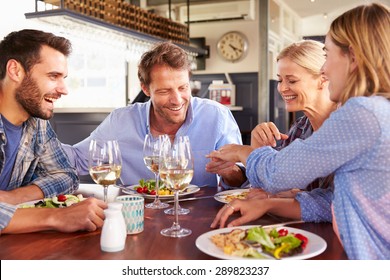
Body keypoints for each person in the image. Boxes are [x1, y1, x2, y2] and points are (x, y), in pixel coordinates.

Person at [208, 3, 390, 259]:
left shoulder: (362, 113)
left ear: (353, 57)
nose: (325, 69)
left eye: (328, 55)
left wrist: (242, 151)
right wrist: (269, 201)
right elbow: (336, 201)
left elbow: (277, 174)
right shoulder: (376, 110)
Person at [63, 41, 247, 189]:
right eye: (165, 91)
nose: (177, 100)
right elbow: (76, 159)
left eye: (183, 88)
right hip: (140, 219)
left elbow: (241, 182)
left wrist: (230, 172)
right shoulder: (121, 121)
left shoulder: (216, 116)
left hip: (202, 219)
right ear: (146, 89)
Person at [211, 40, 338, 228]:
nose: (282, 88)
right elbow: (272, 184)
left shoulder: (345, 126)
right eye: (280, 80)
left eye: (292, 80)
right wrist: (258, 148)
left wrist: (244, 152)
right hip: (305, 229)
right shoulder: (301, 128)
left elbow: (336, 201)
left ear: (323, 78)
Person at [0, 29, 106, 234]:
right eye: (53, 76)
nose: (64, 89)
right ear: (15, 71)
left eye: (63, 77)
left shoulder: (35, 123)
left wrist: (13, 198)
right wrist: (55, 217)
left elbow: (66, 174)